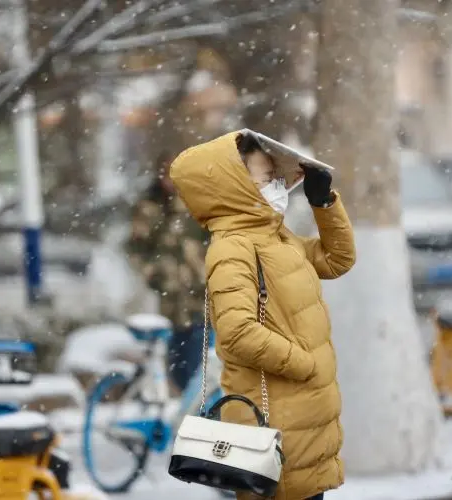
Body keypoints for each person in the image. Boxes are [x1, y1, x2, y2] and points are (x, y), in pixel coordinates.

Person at [170, 131, 356, 500]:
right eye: (264, 176)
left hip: (303, 423)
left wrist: (324, 203)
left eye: (275, 176)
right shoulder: (232, 249)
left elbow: (337, 260)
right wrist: (306, 365)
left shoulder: (276, 237)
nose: (276, 184)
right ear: (236, 187)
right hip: (276, 422)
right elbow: (238, 333)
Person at [125, 151, 208, 393]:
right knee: (177, 364)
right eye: (167, 173)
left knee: (199, 363)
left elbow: (216, 239)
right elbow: (136, 247)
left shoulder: (199, 203)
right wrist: (151, 272)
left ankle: (198, 411)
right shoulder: (150, 207)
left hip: (200, 297)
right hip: (170, 299)